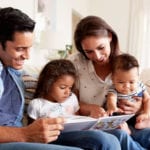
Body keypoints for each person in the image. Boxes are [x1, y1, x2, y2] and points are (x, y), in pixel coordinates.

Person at [0, 7, 122, 150]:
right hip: (13, 139)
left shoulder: (14, 71)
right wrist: (25, 134)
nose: (27, 56)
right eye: (20, 49)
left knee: (106, 140)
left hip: (22, 136)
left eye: (29, 48)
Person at [69, 15, 150, 149]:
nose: (97, 56)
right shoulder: (75, 63)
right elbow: (68, 101)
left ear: (110, 37)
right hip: (94, 125)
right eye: (89, 52)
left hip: (126, 121)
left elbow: (140, 94)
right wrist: (90, 108)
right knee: (120, 135)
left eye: (101, 48)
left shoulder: (125, 64)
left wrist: (139, 108)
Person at [106, 53, 150, 130]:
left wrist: (146, 113)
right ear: (113, 79)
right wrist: (112, 107)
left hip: (137, 114)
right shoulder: (113, 89)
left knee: (144, 116)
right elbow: (111, 98)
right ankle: (126, 129)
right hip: (121, 115)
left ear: (137, 78)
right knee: (113, 118)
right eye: (121, 82)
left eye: (131, 82)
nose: (127, 86)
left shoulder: (140, 86)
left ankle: (142, 123)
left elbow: (147, 99)